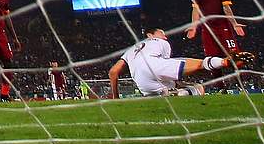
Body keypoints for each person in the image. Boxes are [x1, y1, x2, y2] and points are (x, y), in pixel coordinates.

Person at [108, 28, 253, 98]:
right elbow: (165, 66)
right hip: (154, 65)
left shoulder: (131, 50)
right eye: (161, 33)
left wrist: (115, 97)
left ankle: (171, 93)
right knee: (199, 65)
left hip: (141, 81)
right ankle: (225, 61)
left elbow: (113, 72)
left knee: (164, 90)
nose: (164, 36)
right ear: (150, 35)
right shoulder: (160, 42)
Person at [186, 0, 245, 64]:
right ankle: (218, 80)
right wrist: (194, 27)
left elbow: (226, 7)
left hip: (223, 26)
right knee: (212, 59)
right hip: (207, 29)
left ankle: (240, 79)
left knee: (235, 57)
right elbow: (196, 10)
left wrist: (234, 24)